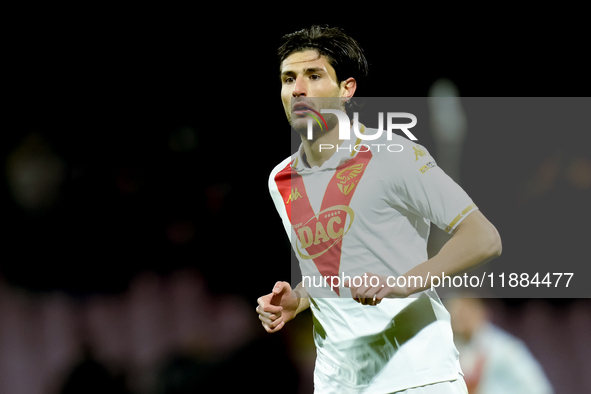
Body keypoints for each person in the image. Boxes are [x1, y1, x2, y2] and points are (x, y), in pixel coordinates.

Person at [256, 25, 502, 393]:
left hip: (419, 375)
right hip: (338, 383)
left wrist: (403, 283)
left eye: (313, 75)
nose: (298, 89)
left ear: (346, 89)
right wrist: (299, 299)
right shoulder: (281, 179)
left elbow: (484, 237)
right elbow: (333, 269)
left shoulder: (394, 156)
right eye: (288, 78)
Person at [446, 297, 554, 394]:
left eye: (464, 311)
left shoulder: (504, 348)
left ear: (480, 310)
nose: (458, 317)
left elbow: (537, 387)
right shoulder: (455, 351)